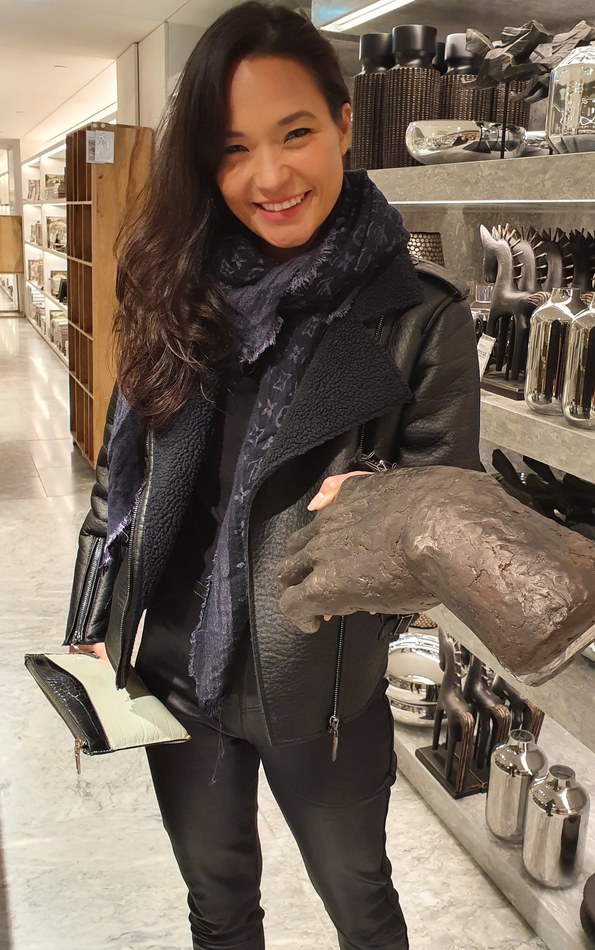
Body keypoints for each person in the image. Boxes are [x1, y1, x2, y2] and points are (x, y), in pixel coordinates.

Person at [64, 3, 481, 948]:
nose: (269, 177)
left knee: (361, 908)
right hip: (173, 668)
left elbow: (440, 525)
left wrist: (373, 523)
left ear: (343, 123)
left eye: (294, 133)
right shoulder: (174, 287)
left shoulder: (419, 317)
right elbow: (120, 485)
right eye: (232, 149)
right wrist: (92, 622)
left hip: (320, 687)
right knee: (217, 909)